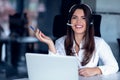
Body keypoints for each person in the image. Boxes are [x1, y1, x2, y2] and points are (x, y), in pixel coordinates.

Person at [34, 4, 119, 77]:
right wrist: (50, 44)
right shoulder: (60, 42)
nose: (78, 22)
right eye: (74, 18)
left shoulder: (99, 43)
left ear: (89, 22)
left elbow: (114, 66)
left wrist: (96, 70)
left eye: (83, 18)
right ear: (69, 21)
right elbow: (55, 67)